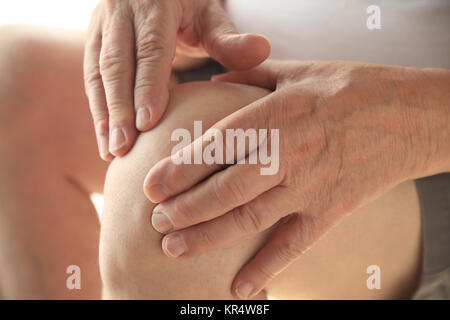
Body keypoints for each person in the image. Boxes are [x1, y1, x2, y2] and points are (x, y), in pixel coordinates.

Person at [0, 0, 448, 299]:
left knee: (172, 215)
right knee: (13, 83)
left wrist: (408, 120)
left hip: (426, 145)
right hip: (232, 65)